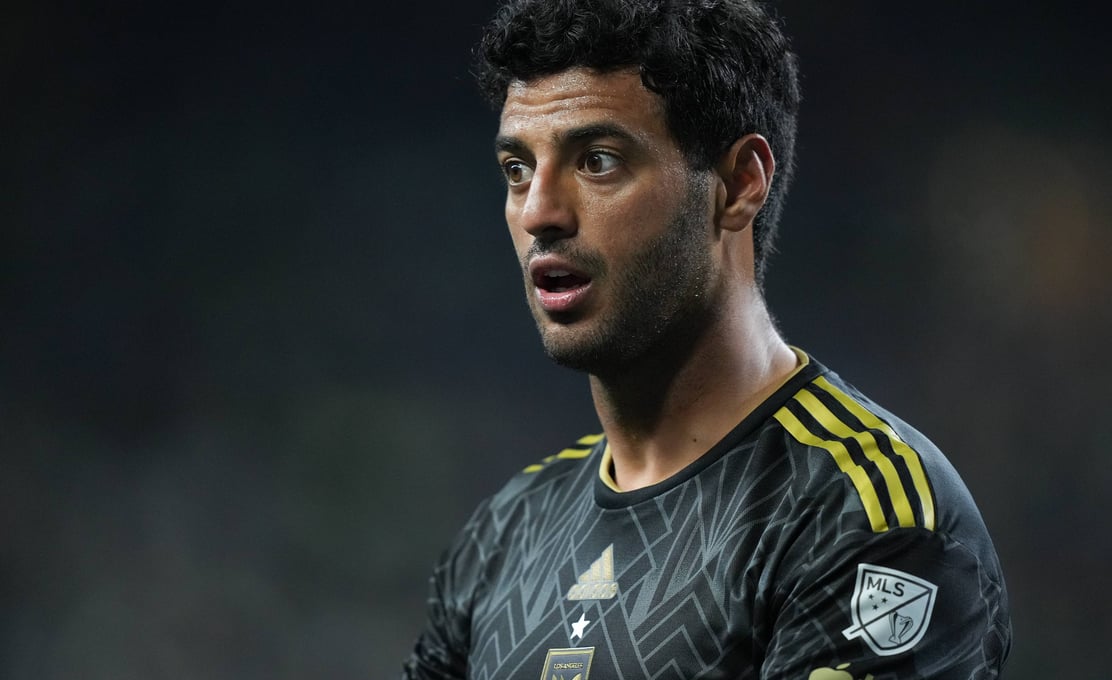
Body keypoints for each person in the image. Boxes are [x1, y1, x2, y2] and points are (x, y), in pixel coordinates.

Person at [402, 1, 1011, 678]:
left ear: (739, 184)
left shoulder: (864, 520)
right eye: (518, 169)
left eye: (597, 161)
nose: (539, 211)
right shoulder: (505, 534)